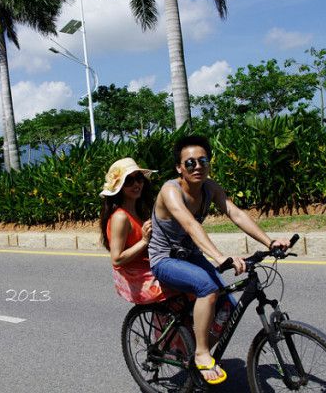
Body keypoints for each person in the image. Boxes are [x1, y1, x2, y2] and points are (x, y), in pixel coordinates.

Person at [148, 135, 291, 385]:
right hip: (164, 259)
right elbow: (190, 224)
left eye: (203, 161)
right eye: (190, 163)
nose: (197, 166)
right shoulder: (170, 191)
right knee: (208, 288)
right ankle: (202, 354)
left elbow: (235, 213)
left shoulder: (210, 188)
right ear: (179, 168)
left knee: (229, 307)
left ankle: (194, 348)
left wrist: (269, 242)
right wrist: (219, 257)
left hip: (191, 256)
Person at [99, 158, 173, 304]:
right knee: (191, 285)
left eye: (139, 178)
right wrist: (144, 241)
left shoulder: (140, 211)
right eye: (128, 181)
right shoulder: (120, 217)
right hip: (136, 278)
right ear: (119, 187)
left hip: (149, 267)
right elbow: (116, 259)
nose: (136, 184)